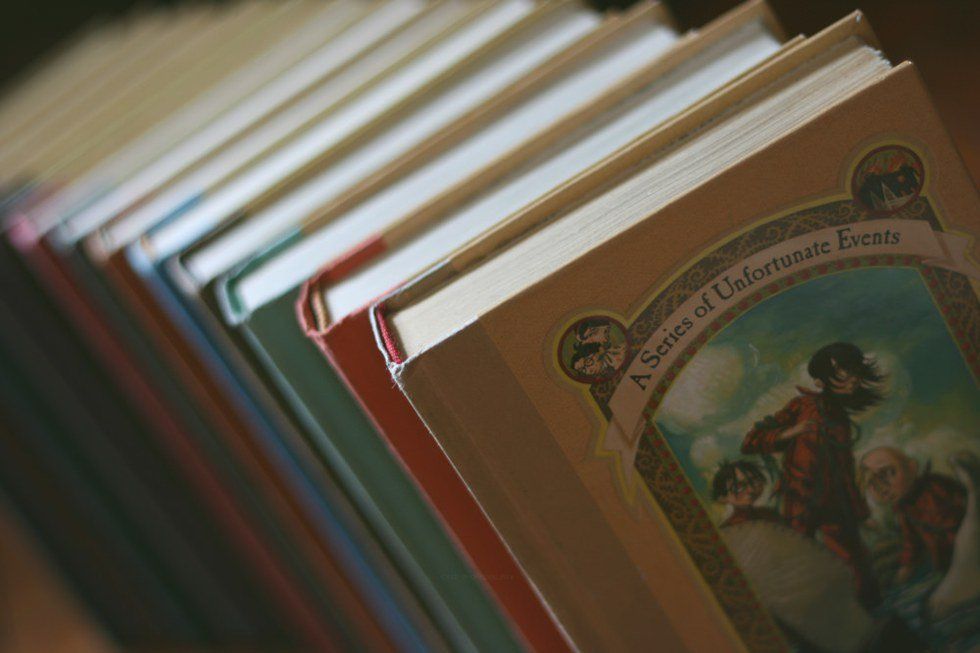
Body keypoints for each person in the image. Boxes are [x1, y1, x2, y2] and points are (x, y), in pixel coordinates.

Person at [741, 342, 883, 606]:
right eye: (843, 373)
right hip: (800, 501)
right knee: (799, 565)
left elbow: (844, 473)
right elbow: (751, 441)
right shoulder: (802, 405)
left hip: (835, 505)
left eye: (853, 371)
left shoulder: (840, 420)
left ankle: (868, 614)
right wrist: (789, 433)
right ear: (820, 381)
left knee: (858, 568)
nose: (853, 379)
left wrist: (861, 513)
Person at [860, 446, 966, 583]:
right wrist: (906, 567)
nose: (882, 488)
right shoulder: (904, 510)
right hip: (948, 566)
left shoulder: (935, 487)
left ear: (912, 467)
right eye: (872, 483)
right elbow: (911, 542)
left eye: (889, 473)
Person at [711, 459, 781, 528]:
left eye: (754, 481)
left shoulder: (769, 514)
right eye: (739, 487)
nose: (751, 490)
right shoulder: (729, 527)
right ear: (722, 498)